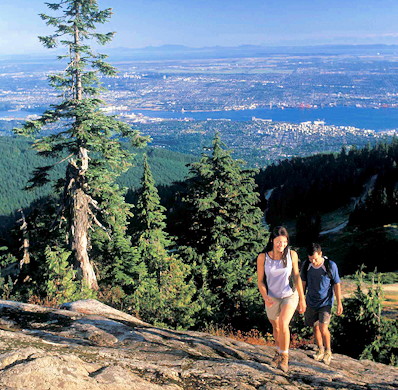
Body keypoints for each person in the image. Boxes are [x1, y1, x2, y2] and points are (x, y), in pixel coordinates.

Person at [257, 226, 306, 373]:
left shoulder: (292, 255)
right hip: (271, 297)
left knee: (284, 324)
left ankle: (285, 356)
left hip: (289, 295)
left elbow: (297, 276)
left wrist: (302, 299)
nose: (282, 245)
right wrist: (265, 296)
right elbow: (260, 281)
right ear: (272, 240)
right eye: (279, 242)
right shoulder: (263, 257)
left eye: (284, 242)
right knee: (276, 327)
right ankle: (278, 352)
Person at [301, 243, 343, 366]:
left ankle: (328, 351)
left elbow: (336, 284)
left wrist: (339, 302)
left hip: (326, 302)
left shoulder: (330, 265)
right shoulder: (306, 265)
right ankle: (320, 349)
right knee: (315, 326)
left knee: (323, 328)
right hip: (311, 301)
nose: (313, 261)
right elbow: (303, 282)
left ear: (320, 253)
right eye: (310, 259)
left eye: (315, 258)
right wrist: (301, 300)